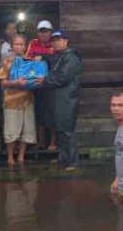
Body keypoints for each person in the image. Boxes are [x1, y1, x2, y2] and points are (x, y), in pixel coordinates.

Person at [35, 30, 82, 171]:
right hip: (59, 99)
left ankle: (73, 161)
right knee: (59, 130)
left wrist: (45, 80)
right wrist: (41, 57)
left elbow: (63, 77)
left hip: (67, 100)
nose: (55, 42)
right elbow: (51, 62)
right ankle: (63, 158)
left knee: (67, 131)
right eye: (54, 40)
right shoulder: (60, 57)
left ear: (66, 41)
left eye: (58, 39)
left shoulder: (71, 58)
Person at [0, 34, 36, 165]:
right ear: (12, 46)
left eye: (21, 44)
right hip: (11, 101)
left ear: (25, 47)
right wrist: (16, 83)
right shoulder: (6, 61)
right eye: (16, 44)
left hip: (27, 100)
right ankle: (10, 157)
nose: (18, 47)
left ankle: (21, 156)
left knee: (27, 130)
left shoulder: (30, 62)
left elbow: (35, 78)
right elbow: (2, 83)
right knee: (11, 130)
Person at [26, 20, 57, 151]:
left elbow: (56, 55)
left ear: (50, 32)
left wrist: (41, 55)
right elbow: (28, 57)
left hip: (51, 83)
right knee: (39, 113)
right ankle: (41, 142)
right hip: (37, 83)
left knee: (52, 113)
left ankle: (53, 143)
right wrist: (44, 54)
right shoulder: (33, 43)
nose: (44, 34)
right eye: (41, 31)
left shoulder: (55, 42)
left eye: (46, 31)